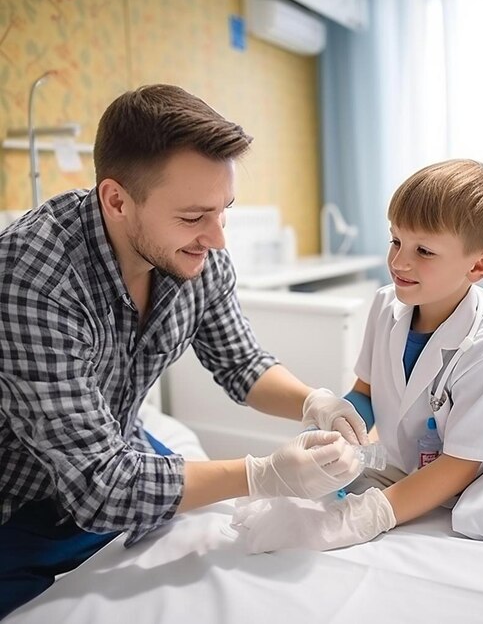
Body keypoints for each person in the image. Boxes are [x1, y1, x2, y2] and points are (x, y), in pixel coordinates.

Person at [0, 83, 368, 618]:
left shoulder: (195, 254)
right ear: (117, 200)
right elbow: (101, 484)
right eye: (194, 217)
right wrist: (261, 473)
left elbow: (240, 363)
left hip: (115, 455)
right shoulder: (33, 277)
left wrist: (316, 401)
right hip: (19, 501)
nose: (217, 239)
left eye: (225, 211)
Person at [232, 159, 483, 553]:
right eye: (396, 241)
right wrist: (332, 433)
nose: (399, 262)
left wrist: (369, 515)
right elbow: (367, 390)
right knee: (285, 504)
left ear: (480, 264)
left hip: (469, 483)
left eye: (423, 250)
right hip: (406, 467)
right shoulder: (385, 306)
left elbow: (460, 464)